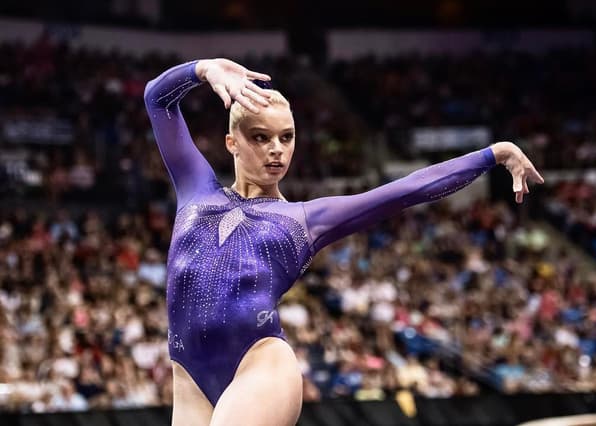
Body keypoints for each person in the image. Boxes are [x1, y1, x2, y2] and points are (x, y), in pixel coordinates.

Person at [144, 58, 544, 426]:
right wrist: (202, 70)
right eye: (260, 137)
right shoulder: (196, 190)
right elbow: (157, 99)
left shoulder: (304, 220)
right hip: (189, 376)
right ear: (232, 142)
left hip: (260, 365)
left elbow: (405, 191)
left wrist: (493, 154)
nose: (276, 150)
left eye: (286, 137)